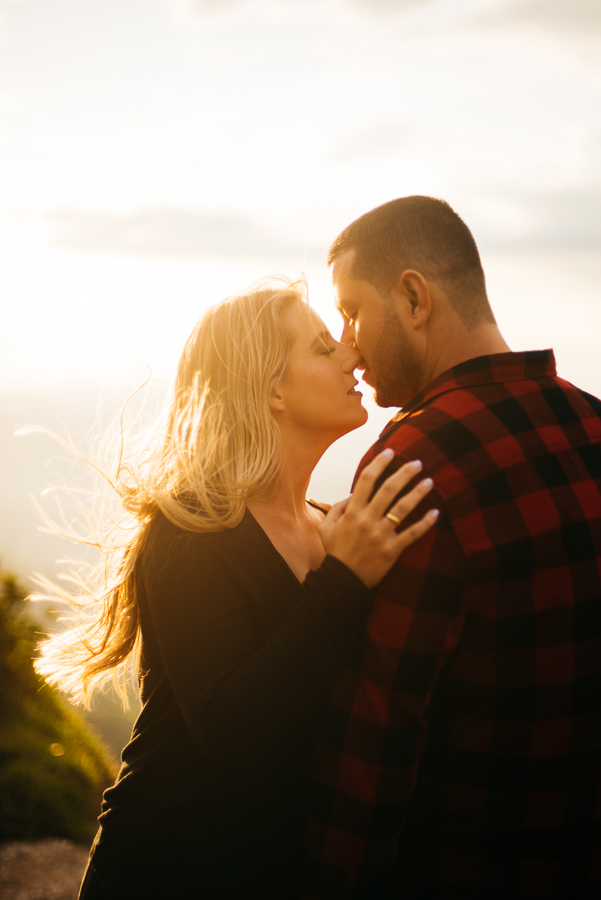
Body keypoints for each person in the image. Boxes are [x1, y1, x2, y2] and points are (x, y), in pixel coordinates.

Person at [34, 279, 438, 899]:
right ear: (272, 388)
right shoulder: (192, 530)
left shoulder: (328, 526)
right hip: (165, 870)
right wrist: (345, 582)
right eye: (324, 348)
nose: (352, 357)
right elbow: (232, 730)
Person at [305, 197, 601, 899]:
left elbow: (377, 729)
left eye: (351, 310)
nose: (348, 342)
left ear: (412, 297)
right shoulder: (592, 421)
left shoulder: (415, 460)